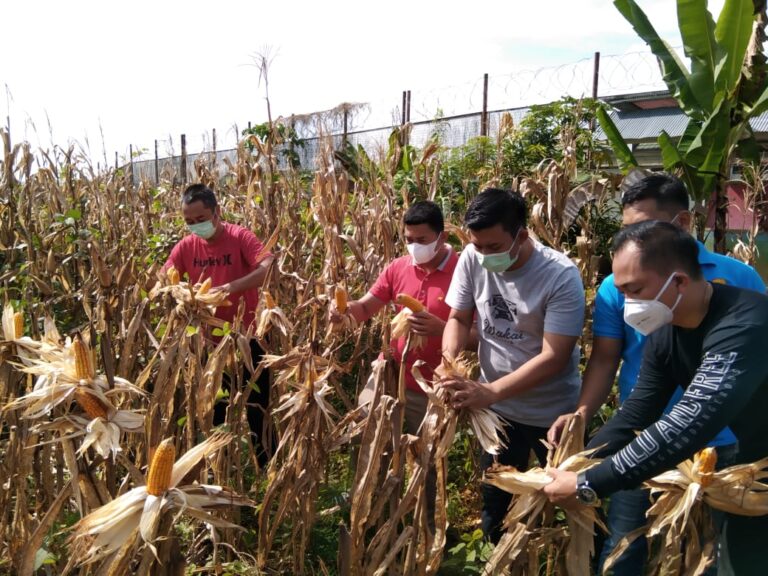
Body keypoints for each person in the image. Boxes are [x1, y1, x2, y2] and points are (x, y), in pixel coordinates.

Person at [546, 173, 766, 574]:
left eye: (634, 290)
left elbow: (691, 420)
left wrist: (588, 485)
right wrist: (579, 459)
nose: (626, 302)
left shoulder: (744, 322)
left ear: (678, 280)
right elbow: (640, 412)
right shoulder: (668, 329)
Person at [440, 188, 585, 543]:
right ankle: (498, 557)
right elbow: (458, 318)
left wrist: (489, 392)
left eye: (493, 247)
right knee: (495, 499)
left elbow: (555, 356)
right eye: (478, 245)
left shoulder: (560, 276)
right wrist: (449, 365)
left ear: (522, 235)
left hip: (551, 413)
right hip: (496, 414)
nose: (484, 255)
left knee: (572, 504)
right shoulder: (472, 258)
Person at [329, 200, 459, 524]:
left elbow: (481, 333)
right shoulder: (398, 268)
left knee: (425, 459)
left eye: (423, 240)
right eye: (409, 239)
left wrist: (441, 330)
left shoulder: (463, 272)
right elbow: (366, 308)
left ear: (441, 237)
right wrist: (345, 312)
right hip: (388, 374)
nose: (415, 246)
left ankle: (424, 526)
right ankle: (368, 504)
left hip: (431, 387)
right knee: (371, 439)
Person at [163, 183, 274, 461]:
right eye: (189, 222)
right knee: (215, 412)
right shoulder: (187, 246)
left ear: (216, 213)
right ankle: (219, 470)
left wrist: (228, 288)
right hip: (210, 344)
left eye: (200, 220)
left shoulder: (240, 237)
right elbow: (165, 274)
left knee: (258, 409)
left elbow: (267, 266)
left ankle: (268, 471)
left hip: (250, 338)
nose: (195, 226)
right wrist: (178, 292)